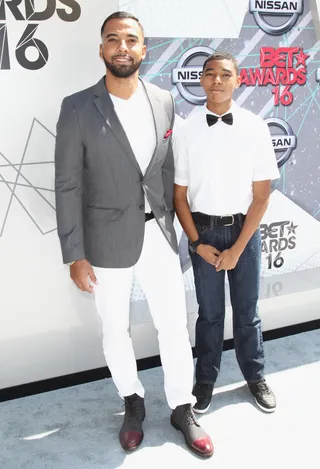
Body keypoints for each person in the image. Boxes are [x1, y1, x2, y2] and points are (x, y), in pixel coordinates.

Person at [54, 11, 213, 458]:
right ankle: (133, 401)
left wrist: (178, 228)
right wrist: (75, 254)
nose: (122, 47)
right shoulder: (78, 107)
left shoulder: (163, 100)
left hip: (158, 237)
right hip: (103, 242)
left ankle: (182, 406)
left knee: (174, 328)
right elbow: (67, 185)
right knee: (115, 330)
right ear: (102, 49)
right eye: (113, 40)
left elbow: (164, 170)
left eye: (131, 40)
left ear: (144, 49)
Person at [173, 51, 279, 415]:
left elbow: (262, 197)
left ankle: (255, 376)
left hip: (244, 234)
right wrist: (197, 243)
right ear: (201, 80)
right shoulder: (186, 131)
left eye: (224, 74)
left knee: (247, 312)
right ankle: (205, 380)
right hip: (203, 233)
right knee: (210, 314)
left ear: (238, 79)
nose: (217, 80)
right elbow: (179, 196)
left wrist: (238, 248)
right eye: (210, 74)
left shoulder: (255, 127)